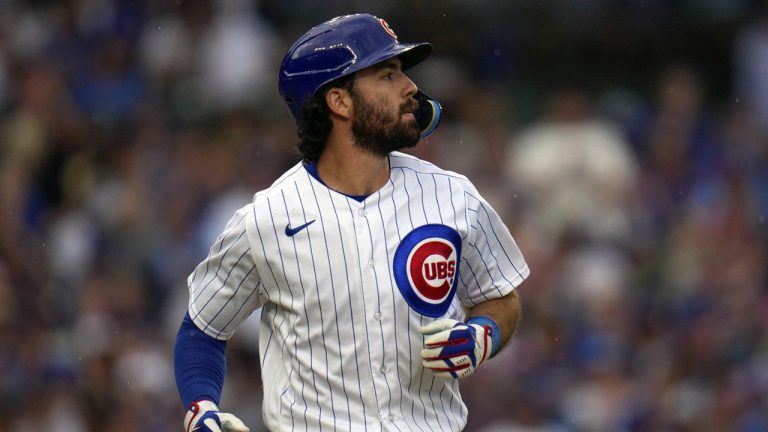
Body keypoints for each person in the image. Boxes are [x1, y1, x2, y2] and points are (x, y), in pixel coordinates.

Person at [174, 13, 529, 432]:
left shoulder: (453, 195)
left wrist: (482, 334)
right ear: (339, 101)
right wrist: (202, 408)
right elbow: (202, 329)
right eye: (387, 74)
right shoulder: (267, 218)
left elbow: (500, 297)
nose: (410, 87)